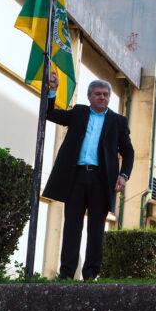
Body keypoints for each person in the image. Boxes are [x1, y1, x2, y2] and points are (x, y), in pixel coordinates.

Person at [43, 71, 134, 280]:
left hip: (102, 181)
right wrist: (52, 91)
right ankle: (66, 274)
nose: (102, 97)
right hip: (76, 177)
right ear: (89, 96)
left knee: (96, 229)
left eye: (106, 94)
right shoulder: (79, 112)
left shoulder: (118, 121)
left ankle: (90, 275)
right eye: (98, 94)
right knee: (72, 227)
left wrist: (124, 175)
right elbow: (50, 114)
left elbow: (128, 152)